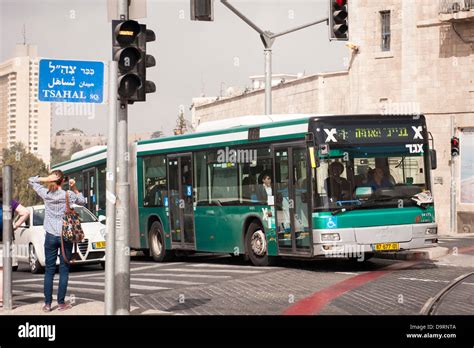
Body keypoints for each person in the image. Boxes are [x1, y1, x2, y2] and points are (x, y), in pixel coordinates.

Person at [28, 170, 85, 312]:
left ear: (52, 180)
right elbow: (83, 201)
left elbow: (31, 180)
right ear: (63, 181)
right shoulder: (68, 195)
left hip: (50, 236)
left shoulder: (46, 194)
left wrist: (46, 178)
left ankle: (47, 304)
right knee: (64, 270)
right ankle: (61, 304)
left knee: (49, 270)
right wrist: (74, 187)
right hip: (65, 235)